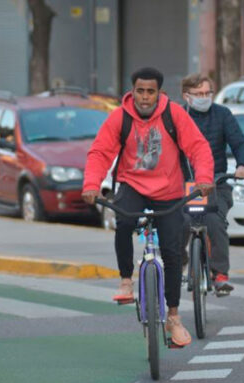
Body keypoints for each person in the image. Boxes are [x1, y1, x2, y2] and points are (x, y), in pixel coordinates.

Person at [82, 67, 215, 347]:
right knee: (124, 222)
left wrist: (203, 179)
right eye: (140, 91)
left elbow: (198, 147)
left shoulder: (174, 114)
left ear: (159, 93)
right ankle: (125, 281)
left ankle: (174, 316)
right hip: (132, 185)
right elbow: (100, 152)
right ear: (133, 91)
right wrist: (91, 185)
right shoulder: (120, 118)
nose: (144, 97)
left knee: (173, 249)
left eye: (150, 91)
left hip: (168, 189)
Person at [181, 73, 244, 295]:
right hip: (185, 184)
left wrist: (243, 166)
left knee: (215, 221)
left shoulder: (222, 114)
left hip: (216, 181)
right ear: (186, 96)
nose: (204, 97)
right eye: (198, 94)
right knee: (179, 223)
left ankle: (220, 275)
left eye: (207, 93)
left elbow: (239, 143)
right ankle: (180, 261)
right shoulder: (178, 116)